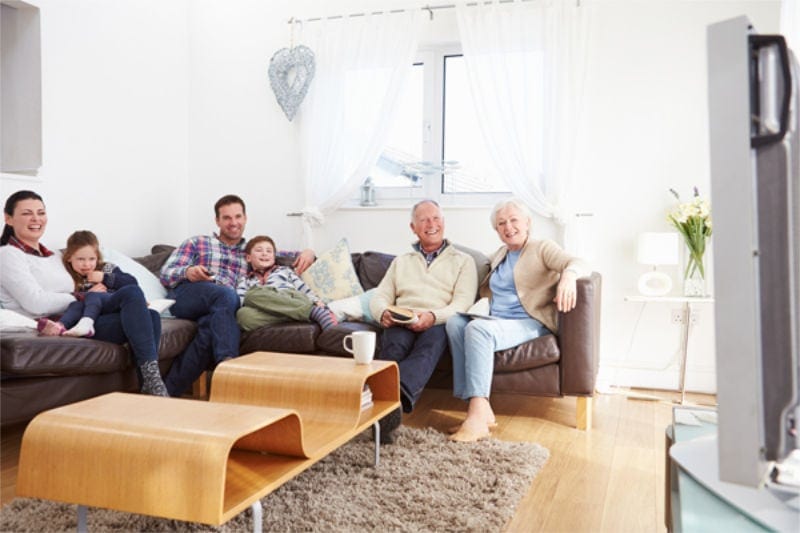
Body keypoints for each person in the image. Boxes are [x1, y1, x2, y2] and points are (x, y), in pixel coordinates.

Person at [445, 198, 590, 442]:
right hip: (498, 320)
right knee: (455, 323)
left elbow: (578, 262)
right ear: (496, 230)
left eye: (514, 220)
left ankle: (477, 417)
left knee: (478, 329)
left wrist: (568, 277)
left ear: (527, 223)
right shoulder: (501, 253)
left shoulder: (541, 247)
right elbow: (476, 264)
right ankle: (479, 408)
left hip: (529, 322)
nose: (508, 227)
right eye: (501, 223)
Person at [0, 190, 169, 396]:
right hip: (56, 323)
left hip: (83, 316)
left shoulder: (53, 256)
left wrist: (98, 285)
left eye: (41, 212)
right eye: (27, 213)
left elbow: (83, 281)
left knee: (147, 313)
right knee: (137, 303)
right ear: (8, 219)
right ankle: (153, 386)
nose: (36, 219)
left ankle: (150, 385)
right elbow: (36, 303)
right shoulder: (8, 255)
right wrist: (80, 297)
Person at [159, 194, 315, 396]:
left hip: (221, 307)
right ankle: (228, 365)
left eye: (238, 217)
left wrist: (309, 252)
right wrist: (188, 272)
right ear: (217, 221)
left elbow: (284, 255)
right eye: (227, 218)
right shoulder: (197, 243)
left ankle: (165, 393)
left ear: (245, 218)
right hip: (189, 295)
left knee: (209, 331)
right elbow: (165, 273)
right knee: (226, 295)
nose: (233, 223)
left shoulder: (251, 250)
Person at [370, 199, 478, 443]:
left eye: (436, 218)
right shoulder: (401, 261)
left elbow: (462, 303)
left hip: (438, 320)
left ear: (444, 223)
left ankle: (387, 403)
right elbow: (380, 296)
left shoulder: (463, 261)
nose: (431, 224)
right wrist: (383, 313)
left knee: (427, 349)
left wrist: (433, 316)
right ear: (413, 227)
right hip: (402, 317)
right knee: (393, 346)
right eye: (424, 220)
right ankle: (384, 411)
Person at [37, 230, 141, 338]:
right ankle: (60, 326)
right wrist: (86, 295)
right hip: (93, 313)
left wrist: (104, 277)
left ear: (97, 257)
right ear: (69, 258)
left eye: (92, 259)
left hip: (112, 306)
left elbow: (131, 283)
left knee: (93, 296)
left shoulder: (106, 268)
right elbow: (67, 297)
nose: (87, 264)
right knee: (76, 305)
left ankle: (87, 323)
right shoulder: (68, 277)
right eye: (81, 259)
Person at [235, 235, 338, 332]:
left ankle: (314, 311)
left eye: (269, 251)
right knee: (243, 315)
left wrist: (316, 301)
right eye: (259, 250)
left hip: (289, 297)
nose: (264, 253)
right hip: (268, 309)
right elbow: (241, 301)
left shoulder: (284, 270)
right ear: (248, 258)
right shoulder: (245, 280)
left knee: (251, 294)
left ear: (274, 257)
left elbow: (302, 288)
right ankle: (299, 314)